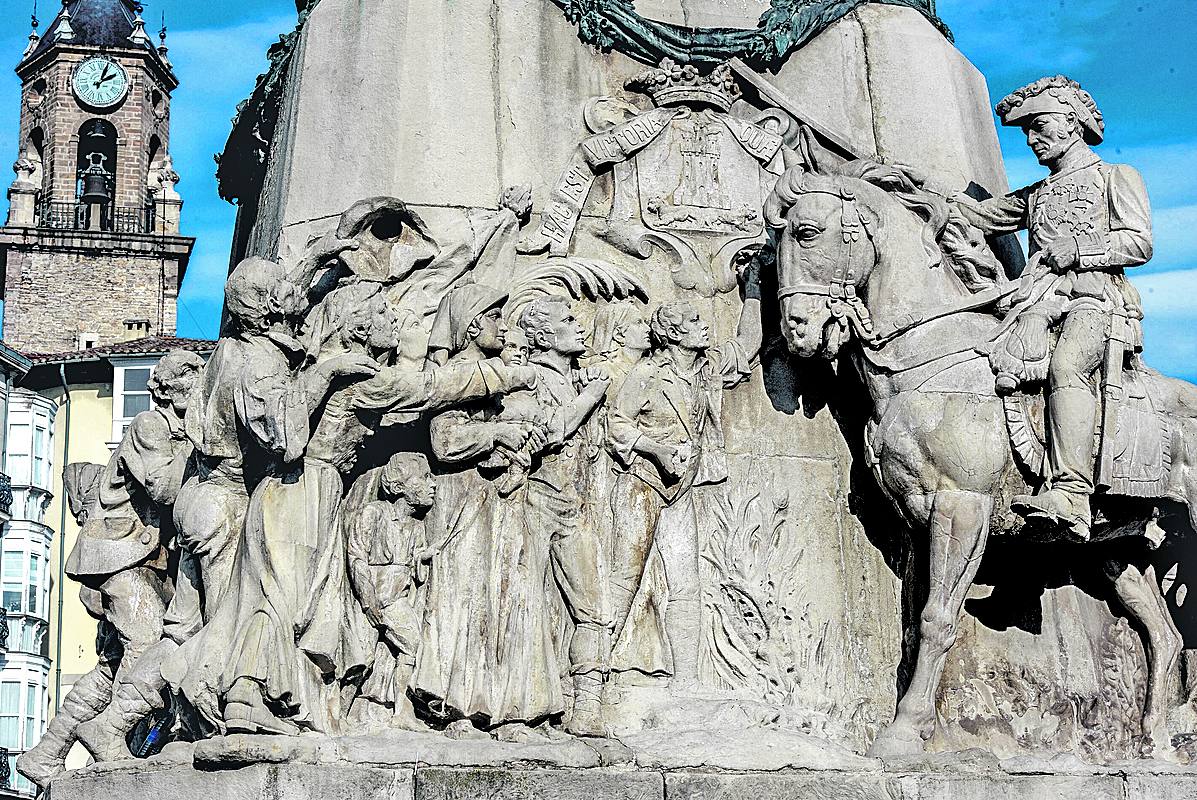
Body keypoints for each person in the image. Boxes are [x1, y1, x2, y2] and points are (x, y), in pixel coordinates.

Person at [952, 75, 1153, 541]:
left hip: (1096, 301)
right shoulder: (1036, 194)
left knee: (1066, 368)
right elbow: (981, 215)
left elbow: (1139, 242)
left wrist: (1079, 249)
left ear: (1073, 123)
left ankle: (1073, 493)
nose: (1032, 139)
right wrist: (916, 188)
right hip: (1037, 302)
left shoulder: (1114, 177)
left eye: (1039, 126)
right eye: (1026, 132)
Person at [17, 351, 205, 777]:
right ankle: (117, 744)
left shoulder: (176, 431)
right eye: (191, 382)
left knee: (114, 663)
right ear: (166, 390)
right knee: (148, 644)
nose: (199, 391)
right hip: (119, 557)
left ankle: (45, 753)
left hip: (145, 560)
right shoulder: (150, 426)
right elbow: (166, 487)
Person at [606, 266, 761, 687]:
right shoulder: (647, 375)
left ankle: (687, 680)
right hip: (642, 484)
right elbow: (617, 427)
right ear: (674, 335)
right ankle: (593, 675)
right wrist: (658, 450)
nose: (703, 325)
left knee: (687, 582)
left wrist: (756, 288)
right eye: (693, 322)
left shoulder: (706, 370)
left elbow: (747, 345)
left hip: (681, 490)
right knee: (624, 578)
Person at [347, 452, 438, 730]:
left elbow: (415, 575)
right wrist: (368, 600)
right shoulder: (372, 514)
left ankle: (402, 711)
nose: (432, 484)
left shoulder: (417, 527)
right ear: (399, 488)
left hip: (396, 601)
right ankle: (338, 711)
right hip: (371, 598)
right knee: (359, 659)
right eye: (423, 478)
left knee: (414, 645)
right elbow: (356, 557)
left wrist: (423, 558)